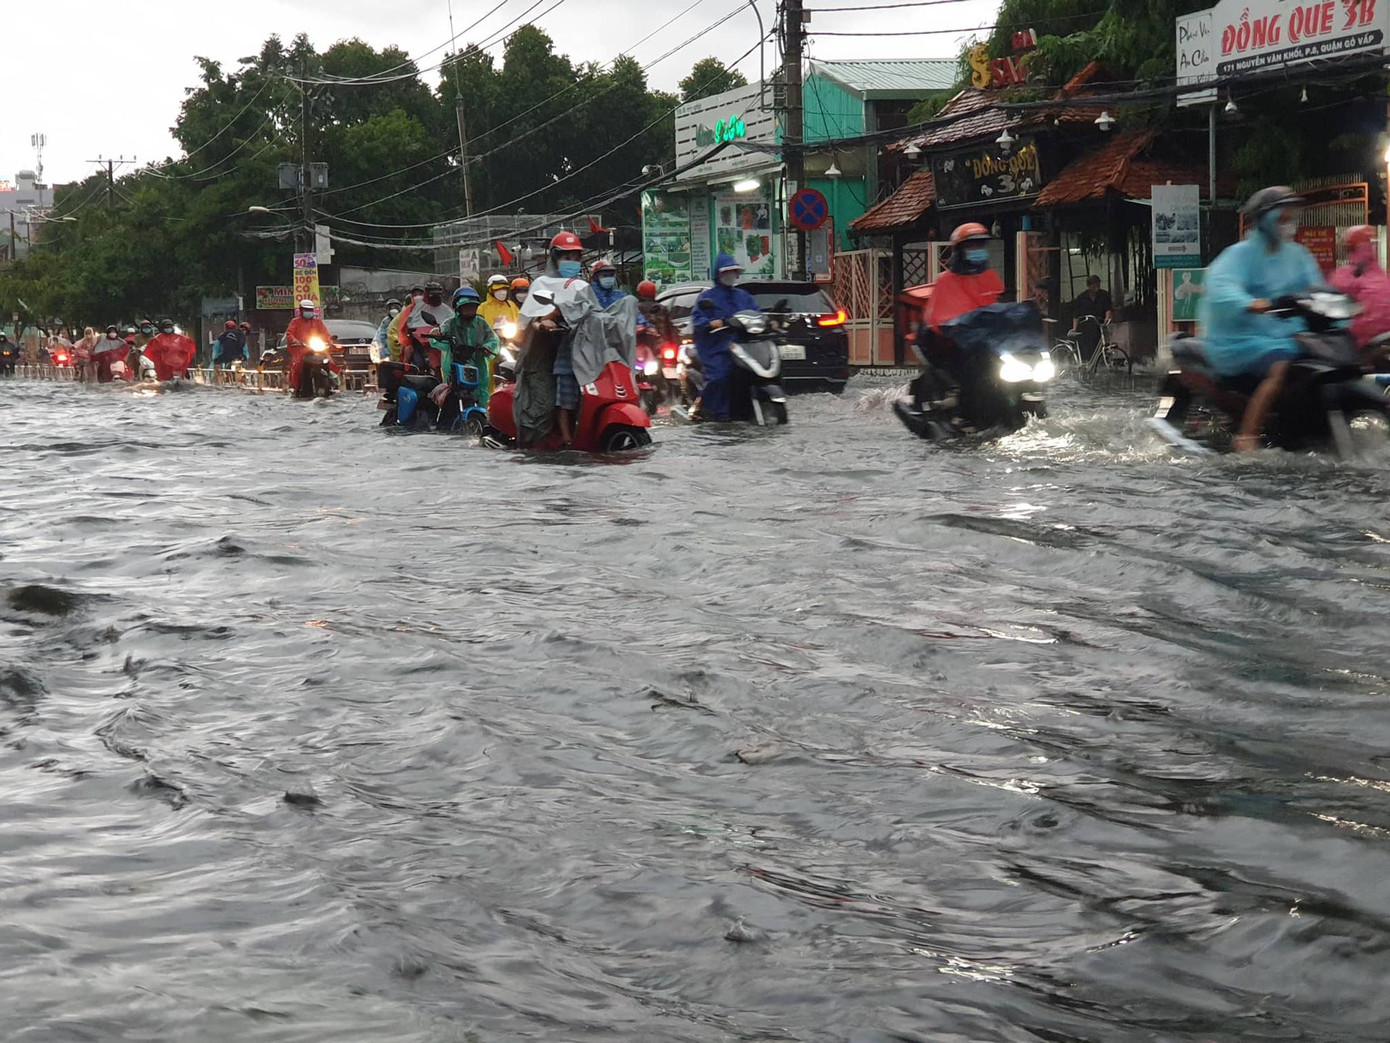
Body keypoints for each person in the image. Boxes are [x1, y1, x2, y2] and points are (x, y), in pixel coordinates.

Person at [1199, 185, 1322, 452]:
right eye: (1282, 217)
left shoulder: (1299, 255)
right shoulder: (1239, 255)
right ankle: (1247, 436)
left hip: (1286, 333)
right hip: (1245, 338)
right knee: (1279, 367)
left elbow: (1316, 288)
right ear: (1265, 220)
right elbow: (1221, 287)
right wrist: (1252, 303)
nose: (1289, 223)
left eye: (1292, 216)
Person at [521, 230, 588, 444]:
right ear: (554, 258)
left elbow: (596, 313)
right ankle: (540, 442)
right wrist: (544, 321)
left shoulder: (583, 286)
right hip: (544, 354)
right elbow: (531, 318)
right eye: (567, 257)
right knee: (546, 404)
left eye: (576, 258)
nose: (572, 262)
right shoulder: (541, 285)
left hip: (582, 352)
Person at [691, 253, 760, 421]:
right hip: (717, 348)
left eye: (733, 271)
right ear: (718, 274)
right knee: (720, 377)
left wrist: (769, 322)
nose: (730, 275)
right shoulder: (707, 297)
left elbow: (757, 313)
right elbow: (698, 319)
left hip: (744, 347)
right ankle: (717, 413)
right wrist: (711, 323)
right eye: (726, 272)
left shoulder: (743, 296)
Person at [1328, 224, 1390, 362]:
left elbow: (1333, 289)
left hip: (1363, 339)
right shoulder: (1381, 274)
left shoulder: (1347, 274)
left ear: (1350, 247)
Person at [437, 286, 500, 406]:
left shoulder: (482, 323)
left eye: (472, 307)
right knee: (452, 392)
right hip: (455, 363)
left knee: (481, 392)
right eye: (466, 307)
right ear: (458, 308)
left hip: (478, 363)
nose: (469, 310)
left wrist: (487, 347)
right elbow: (439, 333)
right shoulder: (451, 323)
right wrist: (437, 334)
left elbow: (493, 340)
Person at [284, 300, 337, 395]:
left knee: (330, 361)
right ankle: (296, 386)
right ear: (301, 310)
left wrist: (329, 341)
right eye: (306, 309)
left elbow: (326, 333)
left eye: (310, 310)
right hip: (302, 350)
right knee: (297, 366)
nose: (308, 311)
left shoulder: (318, 322)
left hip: (317, 350)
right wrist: (294, 340)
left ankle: (331, 383)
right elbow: (289, 333)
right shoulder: (295, 322)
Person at [399, 282, 454, 367]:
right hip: (420, 342)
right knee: (408, 351)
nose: (435, 297)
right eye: (432, 294)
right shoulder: (417, 306)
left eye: (437, 294)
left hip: (441, 343)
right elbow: (408, 322)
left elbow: (453, 322)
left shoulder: (446, 310)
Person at [1071, 274, 1114, 362]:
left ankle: (1101, 361)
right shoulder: (1081, 298)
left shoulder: (1104, 295)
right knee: (1087, 347)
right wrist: (1074, 329)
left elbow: (1108, 309)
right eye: (1094, 286)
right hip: (1086, 326)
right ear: (1089, 286)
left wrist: (1107, 318)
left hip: (1099, 324)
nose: (1097, 288)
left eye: (1098, 286)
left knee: (1102, 344)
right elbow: (1076, 315)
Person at [386, 286, 424, 362]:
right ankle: (405, 366)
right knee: (409, 348)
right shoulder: (406, 313)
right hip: (398, 339)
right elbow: (404, 328)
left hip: (416, 336)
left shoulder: (424, 310)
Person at [636, 279, 677, 345]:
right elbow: (670, 329)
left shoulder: (635, 309)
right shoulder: (661, 308)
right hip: (661, 345)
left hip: (641, 345)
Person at [373, 298, 402, 364]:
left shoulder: (404, 318)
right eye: (391, 308)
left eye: (396, 307)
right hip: (390, 352)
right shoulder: (386, 321)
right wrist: (384, 353)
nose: (394, 310)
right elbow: (380, 337)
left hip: (403, 349)